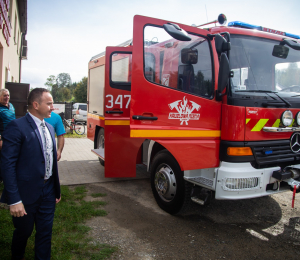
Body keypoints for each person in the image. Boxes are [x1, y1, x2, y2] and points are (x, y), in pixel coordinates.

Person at [0, 88, 61, 260]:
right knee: (24, 231)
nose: (52, 107)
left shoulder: (49, 128)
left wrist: (55, 189)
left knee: (45, 232)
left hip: (48, 192)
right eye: (49, 103)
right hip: (25, 193)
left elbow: (50, 160)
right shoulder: (16, 127)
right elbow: (7, 165)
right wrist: (14, 199)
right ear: (35, 105)